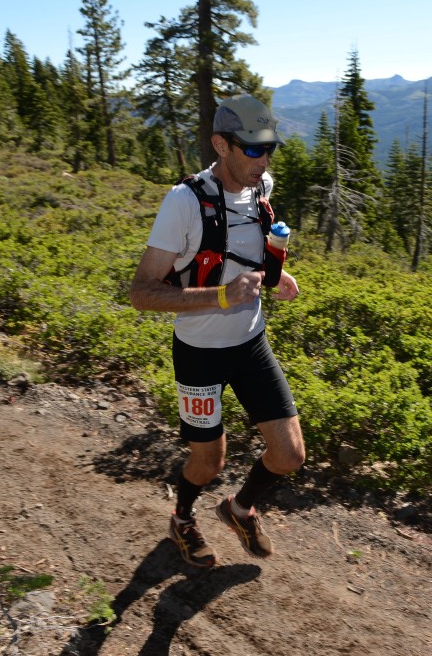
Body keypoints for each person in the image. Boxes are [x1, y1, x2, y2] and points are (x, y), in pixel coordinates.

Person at [130, 94, 305, 568]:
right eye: (252, 149)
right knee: (209, 463)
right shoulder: (183, 202)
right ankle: (182, 518)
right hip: (199, 353)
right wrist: (222, 296)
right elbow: (142, 292)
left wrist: (274, 274)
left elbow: (247, 248)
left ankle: (240, 508)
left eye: (270, 148)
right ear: (220, 145)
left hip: (250, 345)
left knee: (289, 455)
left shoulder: (259, 185)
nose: (264, 160)